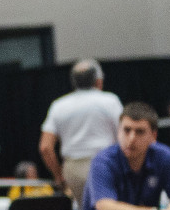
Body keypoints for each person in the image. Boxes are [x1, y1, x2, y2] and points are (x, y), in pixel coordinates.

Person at [40, 59, 123, 198]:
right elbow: (124, 136)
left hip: (74, 170)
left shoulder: (59, 106)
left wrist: (59, 176)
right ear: (98, 81)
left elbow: (45, 147)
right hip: (107, 163)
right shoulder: (110, 101)